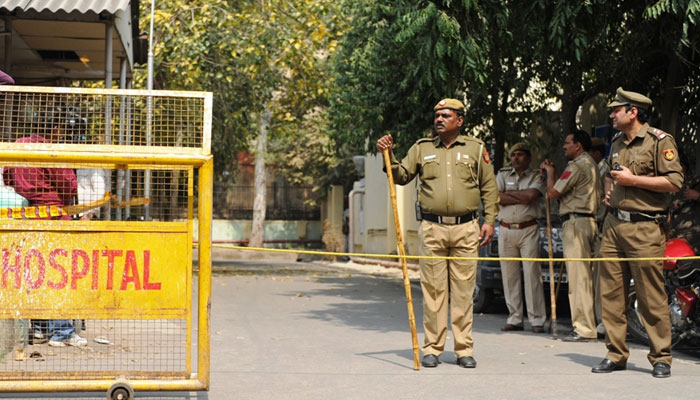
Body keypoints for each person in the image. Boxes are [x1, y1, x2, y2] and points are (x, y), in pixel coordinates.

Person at [376, 98, 498, 369]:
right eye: (437, 115)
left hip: (467, 228)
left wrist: (489, 220)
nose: (439, 119)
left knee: (464, 292)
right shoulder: (421, 148)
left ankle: (463, 348)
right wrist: (389, 155)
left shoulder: (476, 149)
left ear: (460, 120)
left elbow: (489, 186)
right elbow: (401, 176)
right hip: (432, 228)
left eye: (446, 115)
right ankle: (431, 348)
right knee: (433, 291)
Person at [591, 87, 683, 378]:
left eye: (616, 110)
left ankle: (661, 358)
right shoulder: (617, 141)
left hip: (645, 226)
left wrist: (634, 180)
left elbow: (674, 182)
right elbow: (609, 172)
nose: (612, 114)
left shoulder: (659, 141)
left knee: (650, 295)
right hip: (614, 225)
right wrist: (609, 193)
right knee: (611, 294)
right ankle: (616, 354)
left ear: (633, 112)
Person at [3, 105, 87, 348]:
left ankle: (40, 327)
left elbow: (8, 175)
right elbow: (68, 186)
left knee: (35, 271)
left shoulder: (19, 143)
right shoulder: (50, 148)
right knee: (59, 274)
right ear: (57, 128)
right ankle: (62, 332)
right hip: (53, 216)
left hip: (26, 214)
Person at [541, 130, 600, 342]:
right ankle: (595, 324)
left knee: (579, 278)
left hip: (576, 224)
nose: (564, 147)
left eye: (567, 143)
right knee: (589, 277)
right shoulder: (591, 164)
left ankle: (584, 328)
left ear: (578, 145)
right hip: (590, 222)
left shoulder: (577, 165)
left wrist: (549, 173)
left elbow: (552, 193)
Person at [496, 142, 546, 333]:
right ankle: (515, 317)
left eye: (520, 155)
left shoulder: (536, 176)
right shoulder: (502, 174)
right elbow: (496, 197)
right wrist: (520, 196)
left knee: (532, 275)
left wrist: (509, 195)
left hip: (528, 229)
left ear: (528, 157)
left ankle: (537, 319)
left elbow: (531, 196)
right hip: (506, 229)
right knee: (509, 276)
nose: (515, 158)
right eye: (513, 155)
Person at [588, 136, 610, 338]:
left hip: (605, 226)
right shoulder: (593, 169)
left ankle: (604, 321)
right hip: (596, 226)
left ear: (595, 153)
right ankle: (596, 319)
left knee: (601, 278)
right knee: (593, 276)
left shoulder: (604, 171)